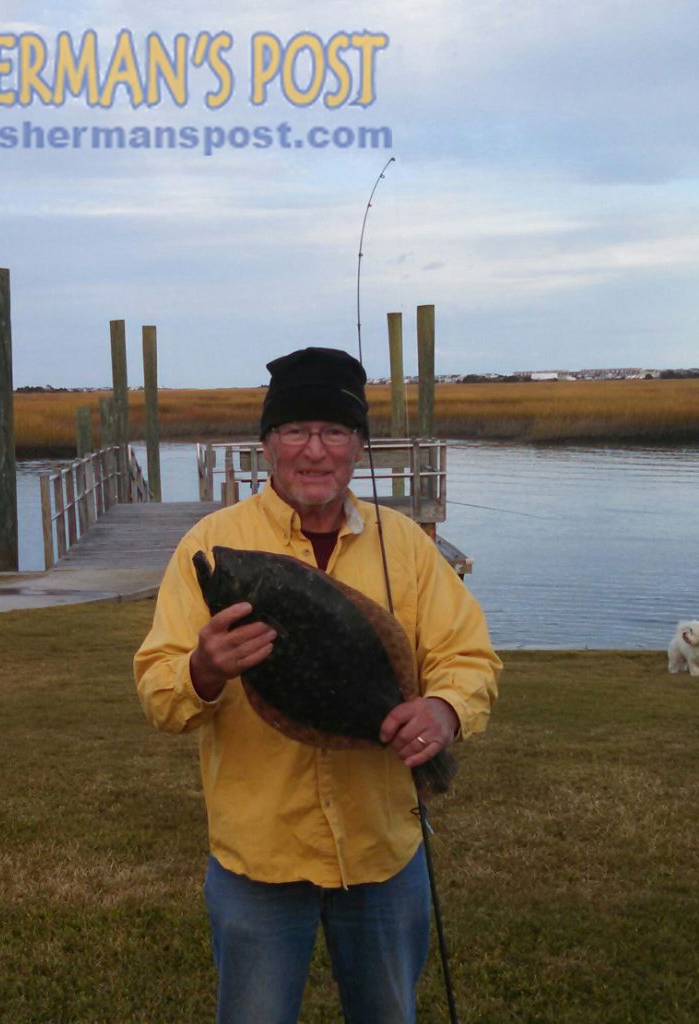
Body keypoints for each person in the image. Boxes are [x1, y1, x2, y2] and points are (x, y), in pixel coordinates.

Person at [134, 347, 501, 1024]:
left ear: (359, 445)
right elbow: (160, 691)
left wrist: (444, 712)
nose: (313, 451)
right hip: (259, 863)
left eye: (334, 432)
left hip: (383, 853)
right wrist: (204, 669)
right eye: (295, 430)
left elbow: (467, 655)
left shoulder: (407, 545)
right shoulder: (211, 544)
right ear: (267, 444)